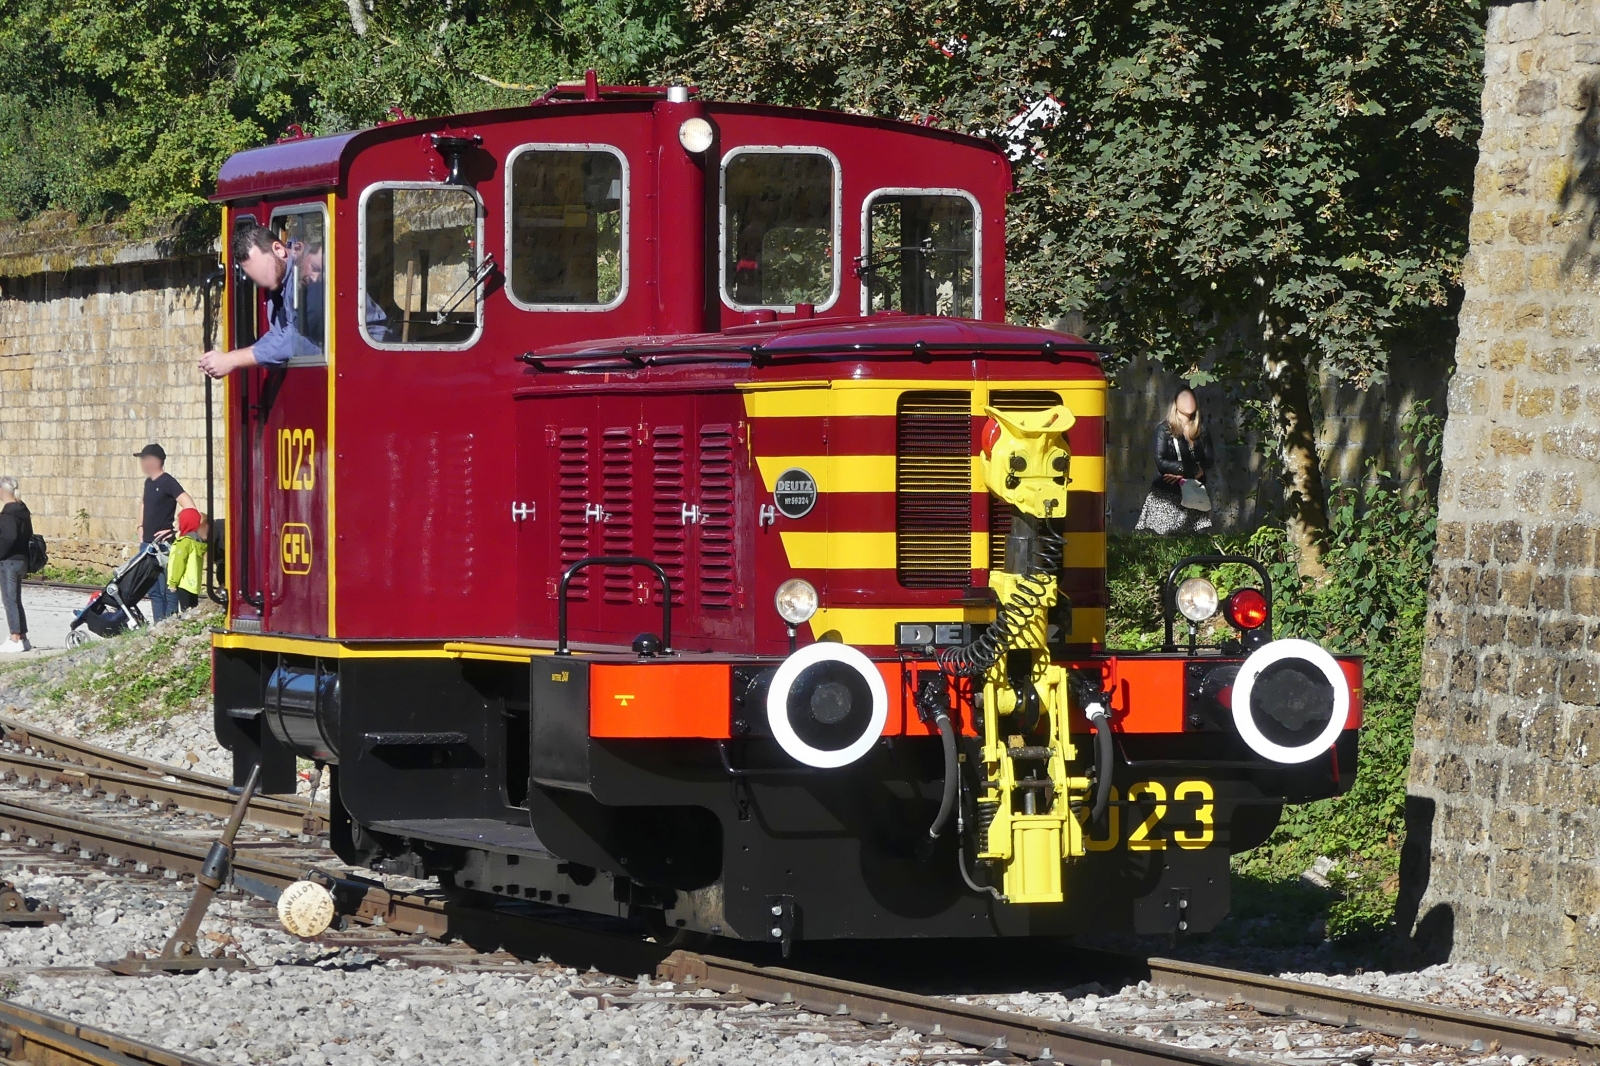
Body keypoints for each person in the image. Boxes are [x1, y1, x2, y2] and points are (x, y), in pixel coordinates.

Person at [198, 224, 324, 377]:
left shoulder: (311, 283)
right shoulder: (282, 283)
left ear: (278, 249)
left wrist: (232, 359)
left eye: (264, 270)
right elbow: (279, 334)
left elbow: (297, 340)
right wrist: (230, 358)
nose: (262, 280)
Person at [1133, 387, 1216, 535]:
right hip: (1167, 493)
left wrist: (1195, 472)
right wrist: (1188, 471)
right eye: (1183, 398)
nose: (1188, 401)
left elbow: (1209, 459)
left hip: (1194, 493)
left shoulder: (1202, 430)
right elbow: (1160, 461)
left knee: (1198, 536)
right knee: (1165, 538)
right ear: (1175, 403)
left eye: (1191, 398)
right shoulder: (1163, 430)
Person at [136, 444, 197, 622]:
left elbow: (190, 507)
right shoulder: (149, 482)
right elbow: (143, 503)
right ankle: (158, 625)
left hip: (164, 545)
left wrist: (175, 529)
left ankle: (169, 623)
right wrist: (139, 526)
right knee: (154, 590)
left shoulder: (168, 482)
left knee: (170, 589)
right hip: (147, 544)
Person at [0, 477, 32, 653]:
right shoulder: (22, 510)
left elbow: (9, 537)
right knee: (16, 600)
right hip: (22, 560)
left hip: (9, 561)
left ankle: (15, 638)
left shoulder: (8, 513)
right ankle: (23, 637)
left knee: (9, 600)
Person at [167, 508, 209, 612]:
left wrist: (173, 582)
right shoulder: (197, 542)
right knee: (193, 609)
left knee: (185, 611)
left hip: (183, 583)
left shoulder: (184, 542)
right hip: (193, 584)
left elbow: (178, 564)